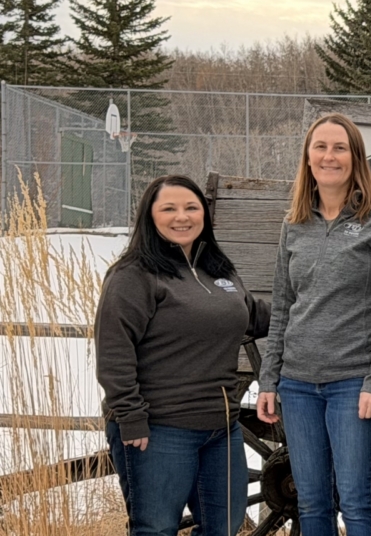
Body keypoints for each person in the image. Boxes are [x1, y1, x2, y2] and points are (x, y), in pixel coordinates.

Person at [254, 114, 371, 536]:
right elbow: (283, 306)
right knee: (312, 503)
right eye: (320, 147)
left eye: (340, 148)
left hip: (354, 383)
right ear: (307, 157)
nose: (329, 156)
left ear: (355, 157)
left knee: (356, 502)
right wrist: (269, 379)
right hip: (298, 385)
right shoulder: (294, 223)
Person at [95, 175, 269, 536]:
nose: (182, 217)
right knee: (156, 528)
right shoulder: (134, 275)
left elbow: (253, 315)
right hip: (159, 427)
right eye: (169, 209)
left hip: (221, 429)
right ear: (150, 216)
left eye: (191, 207)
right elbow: (114, 352)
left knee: (223, 527)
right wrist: (131, 417)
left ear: (204, 213)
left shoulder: (218, 270)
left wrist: (319, 310)